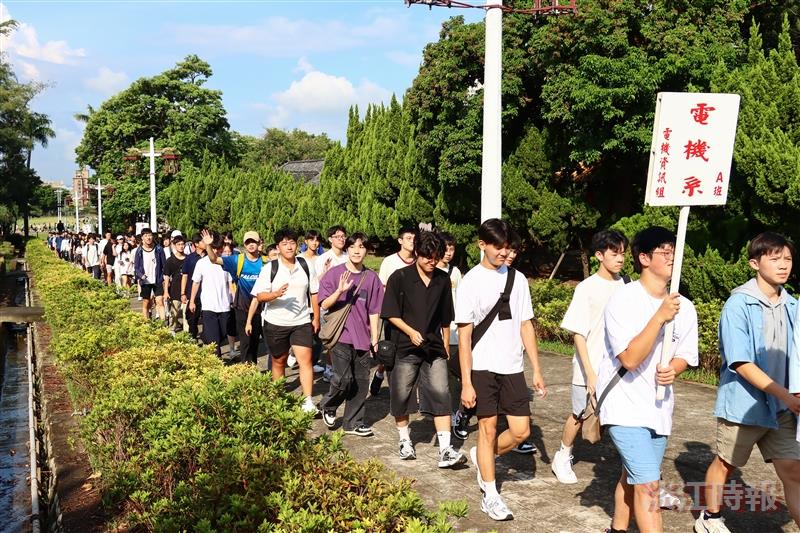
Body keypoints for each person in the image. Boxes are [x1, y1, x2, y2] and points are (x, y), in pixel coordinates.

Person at [695, 232, 800, 533]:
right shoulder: (738, 305)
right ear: (755, 263)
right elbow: (740, 362)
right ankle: (710, 518)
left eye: (788, 258)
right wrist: (786, 395)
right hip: (745, 406)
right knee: (726, 464)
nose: (783, 265)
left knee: (793, 471)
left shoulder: (793, 305)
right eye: (775, 258)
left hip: (782, 408)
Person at [598, 226, 697, 533]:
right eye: (664, 251)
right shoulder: (623, 300)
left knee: (634, 476)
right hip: (623, 407)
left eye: (674, 251)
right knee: (649, 486)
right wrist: (658, 317)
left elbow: (686, 355)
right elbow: (628, 358)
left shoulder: (686, 307)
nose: (671, 257)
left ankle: (617, 529)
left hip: (659, 408)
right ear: (643, 258)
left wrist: (675, 369)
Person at [455, 219, 546, 521]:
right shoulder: (470, 281)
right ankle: (490, 494)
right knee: (488, 428)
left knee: (521, 431)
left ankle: (485, 457)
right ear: (482, 244)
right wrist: (466, 382)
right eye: (498, 247)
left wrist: (536, 368)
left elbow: (525, 324)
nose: (504, 253)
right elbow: (465, 336)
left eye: (508, 248)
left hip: (512, 367)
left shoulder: (518, 279)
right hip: (482, 367)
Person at [381, 230, 465, 468]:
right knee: (402, 393)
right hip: (405, 346)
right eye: (427, 256)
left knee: (441, 392)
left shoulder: (441, 280)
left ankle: (446, 449)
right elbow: (390, 313)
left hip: (433, 347)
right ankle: (404, 440)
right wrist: (410, 331)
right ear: (417, 252)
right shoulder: (400, 277)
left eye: (435, 256)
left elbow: (446, 317)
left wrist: (446, 344)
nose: (431, 261)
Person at [553, 229, 629, 483]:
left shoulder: (628, 286)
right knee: (580, 414)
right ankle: (563, 456)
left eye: (623, 253)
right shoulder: (586, 288)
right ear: (599, 255)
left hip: (621, 367)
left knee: (625, 419)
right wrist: (590, 373)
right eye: (614, 253)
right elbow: (578, 334)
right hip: (590, 365)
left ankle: (637, 471)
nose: (620, 258)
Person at [319, 233, 384, 436]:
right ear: (347, 249)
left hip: (362, 338)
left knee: (361, 381)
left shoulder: (371, 278)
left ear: (367, 250)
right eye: (353, 246)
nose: (357, 250)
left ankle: (353, 423)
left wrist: (375, 338)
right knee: (344, 379)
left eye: (362, 246)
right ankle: (329, 405)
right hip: (340, 335)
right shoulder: (334, 274)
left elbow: (374, 311)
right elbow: (323, 304)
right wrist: (339, 291)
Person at [250, 228, 321, 414]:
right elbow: (259, 295)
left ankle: (307, 401)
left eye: (292, 243)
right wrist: (275, 294)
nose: (289, 247)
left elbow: (314, 292)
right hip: (276, 322)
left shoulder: (305, 265)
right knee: (279, 361)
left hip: (302, 321)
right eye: (284, 244)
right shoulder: (270, 268)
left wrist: (316, 317)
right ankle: (278, 397)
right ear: (278, 247)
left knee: (305, 360)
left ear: (297, 244)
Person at [206, 229, 267, 364]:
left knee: (255, 341)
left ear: (259, 243)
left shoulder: (265, 262)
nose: (251, 245)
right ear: (244, 245)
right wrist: (208, 245)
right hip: (242, 306)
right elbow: (214, 259)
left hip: (261, 308)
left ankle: (252, 366)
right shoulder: (237, 260)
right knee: (245, 341)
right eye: (248, 242)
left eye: (254, 242)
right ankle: (246, 369)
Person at [373, 225, 417, 395]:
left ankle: (407, 390)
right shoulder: (389, 262)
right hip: (393, 315)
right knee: (390, 352)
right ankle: (380, 372)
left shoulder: (419, 260)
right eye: (408, 238)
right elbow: (381, 290)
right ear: (400, 241)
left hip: (414, 316)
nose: (412, 241)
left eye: (414, 238)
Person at [189, 231, 232, 358]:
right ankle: (216, 362)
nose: (217, 251)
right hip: (209, 306)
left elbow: (231, 283)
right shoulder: (201, 263)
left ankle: (205, 335)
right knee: (214, 340)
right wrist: (192, 301)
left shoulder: (226, 262)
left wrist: (233, 299)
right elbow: (196, 283)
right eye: (214, 248)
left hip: (224, 305)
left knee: (222, 334)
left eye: (219, 248)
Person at [134, 227, 167, 321]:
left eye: (150, 235)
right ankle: (146, 323)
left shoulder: (159, 249)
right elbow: (136, 267)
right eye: (146, 236)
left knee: (160, 301)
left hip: (158, 279)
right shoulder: (139, 251)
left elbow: (164, 265)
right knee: (146, 302)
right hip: (145, 281)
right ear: (142, 238)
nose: (148, 237)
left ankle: (162, 324)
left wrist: (165, 278)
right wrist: (141, 275)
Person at [181, 232, 207, 341]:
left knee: (206, 317)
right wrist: (183, 293)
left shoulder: (210, 257)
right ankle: (193, 335)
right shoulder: (190, 258)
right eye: (203, 241)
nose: (205, 243)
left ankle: (208, 338)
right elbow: (185, 276)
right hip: (193, 292)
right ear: (196, 244)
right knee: (192, 317)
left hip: (207, 292)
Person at [163, 234, 187, 333]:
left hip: (187, 289)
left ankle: (187, 332)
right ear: (174, 245)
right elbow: (166, 276)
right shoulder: (170, 260)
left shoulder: (188, 259)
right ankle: (172, 329)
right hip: (175, 289)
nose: (181, 246)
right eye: (179, 244)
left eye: (182, 244)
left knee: (186, 313)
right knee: (174, 312)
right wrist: (165, 292)